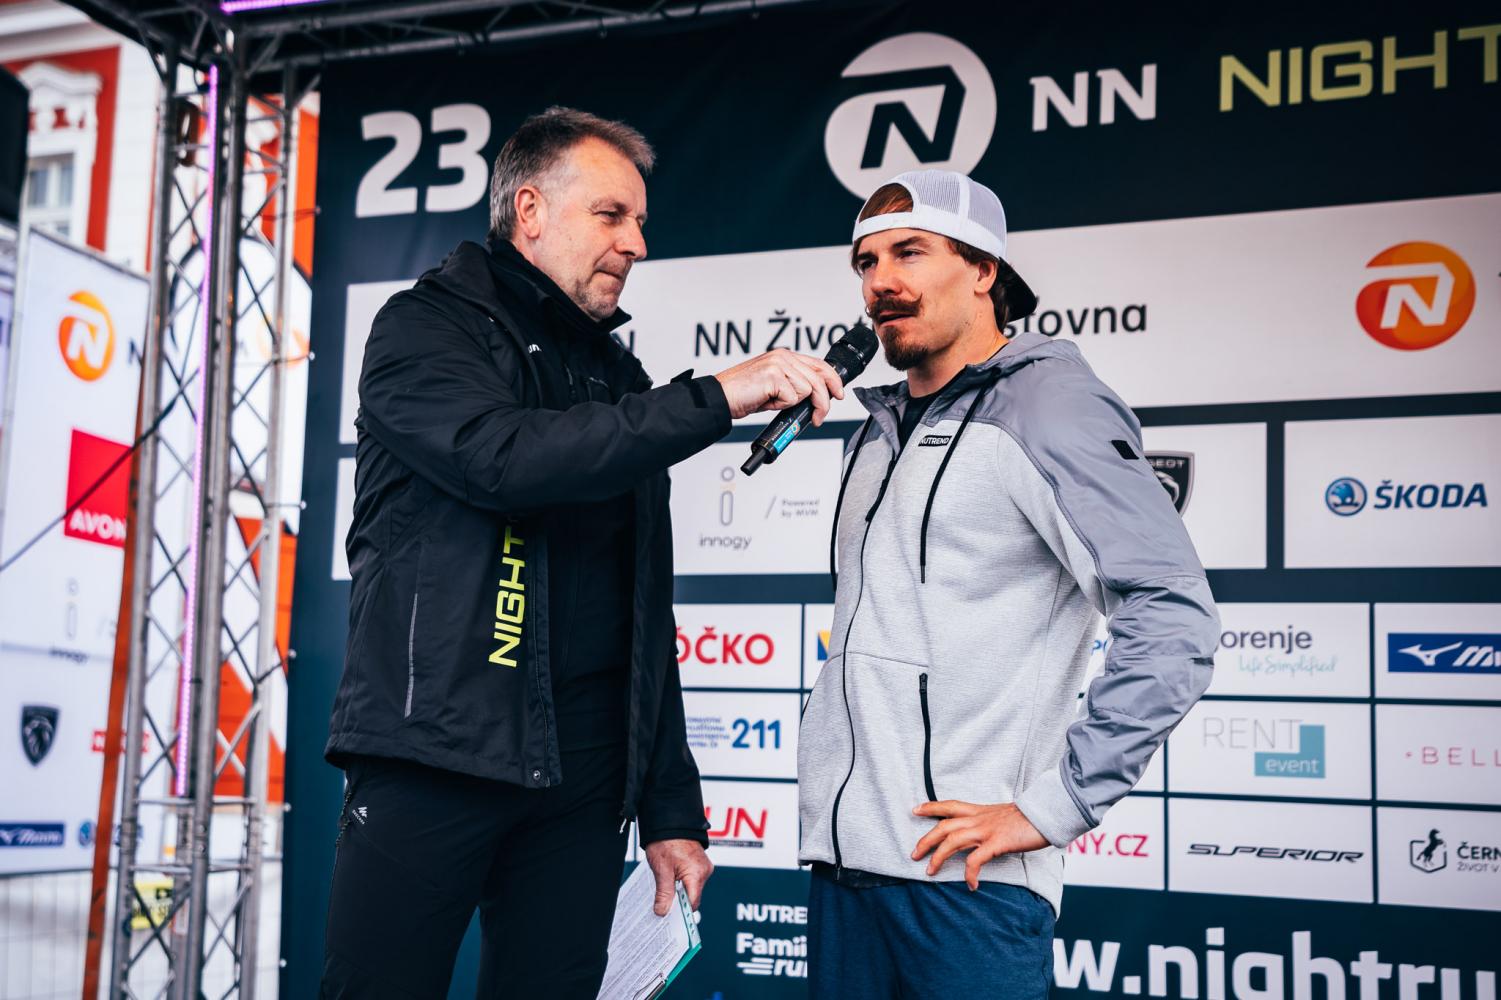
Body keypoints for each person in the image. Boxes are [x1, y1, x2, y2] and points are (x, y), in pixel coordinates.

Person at [320, 106, 845, 998]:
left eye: (639, 220)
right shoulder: (424, 327)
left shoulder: (616, 376)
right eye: (611, 215)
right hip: (434, 753)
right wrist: (718, 394)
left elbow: (640, 608)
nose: (635, 242)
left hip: (582, 780)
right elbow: (503, 460)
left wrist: (670, 807)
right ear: (529, 210)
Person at [797, 169, 1220, 998]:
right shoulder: (874, 432)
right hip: (844, 869)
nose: (880, 282)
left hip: (967, 885)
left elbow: (1173, 616)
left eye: (909, 253)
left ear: (983, 270)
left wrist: (1053, 807)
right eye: (866, 262)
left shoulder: (1048, 406)